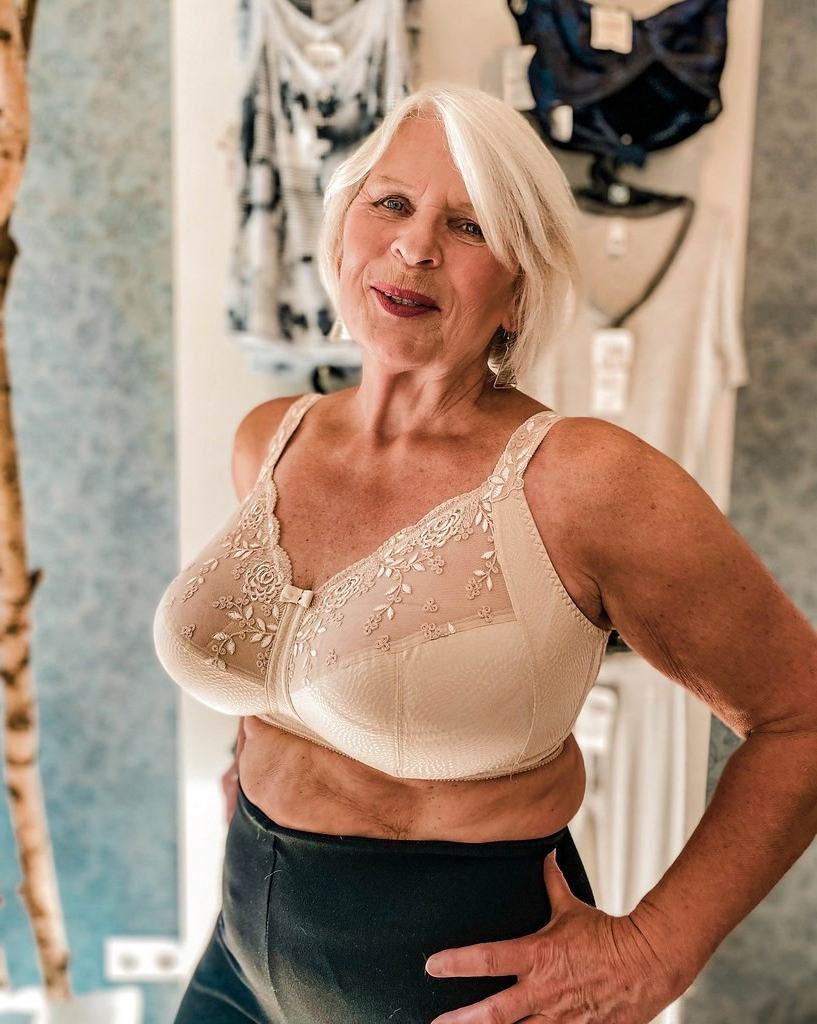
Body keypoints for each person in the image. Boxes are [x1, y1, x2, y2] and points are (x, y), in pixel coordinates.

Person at [155, 84, 817, 1024]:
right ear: (341, 232)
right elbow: (289, 675)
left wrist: (654, 952)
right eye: (391, 202)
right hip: (236, 967)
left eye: (467, 226)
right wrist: (254, 772)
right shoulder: (270, 438)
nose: (415, 246)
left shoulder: (582, 480)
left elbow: (800, 716)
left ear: (519, 288)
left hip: (463, 996)